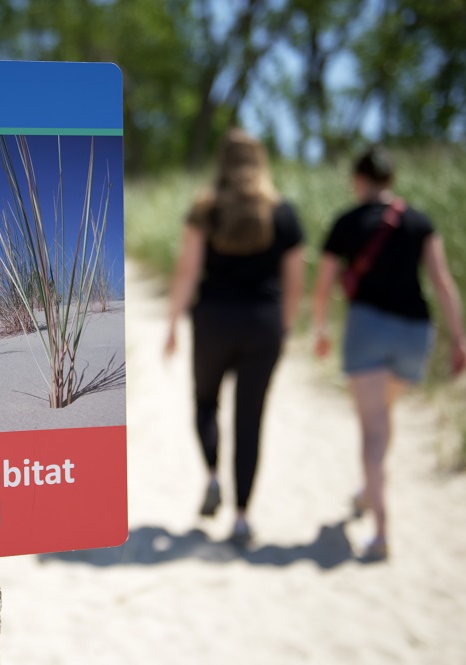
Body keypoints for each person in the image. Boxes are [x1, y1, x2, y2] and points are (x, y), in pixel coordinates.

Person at [311, 145, 466, 561]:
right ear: (391, 180)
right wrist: (459, 337)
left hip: (367, 329)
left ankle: (381, 530)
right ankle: (368, 489)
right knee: (385, 418)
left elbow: (325, 283)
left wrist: (321, 329)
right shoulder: (418, 221)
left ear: (359, 179)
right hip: (415, 333)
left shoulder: (346, 222)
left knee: (373, 430)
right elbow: (443, 281)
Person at [165, 129, 305, 544]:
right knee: (250, 420)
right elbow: (294, 279)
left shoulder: (205, 209)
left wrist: (173, 321)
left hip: (213, 321)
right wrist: (286, 325)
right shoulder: (283, 212)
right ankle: (242, 518)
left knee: (205, 400)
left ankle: (211, 475)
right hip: (263, 323)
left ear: (221, 162)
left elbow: (187, 270)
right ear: (260, 160)